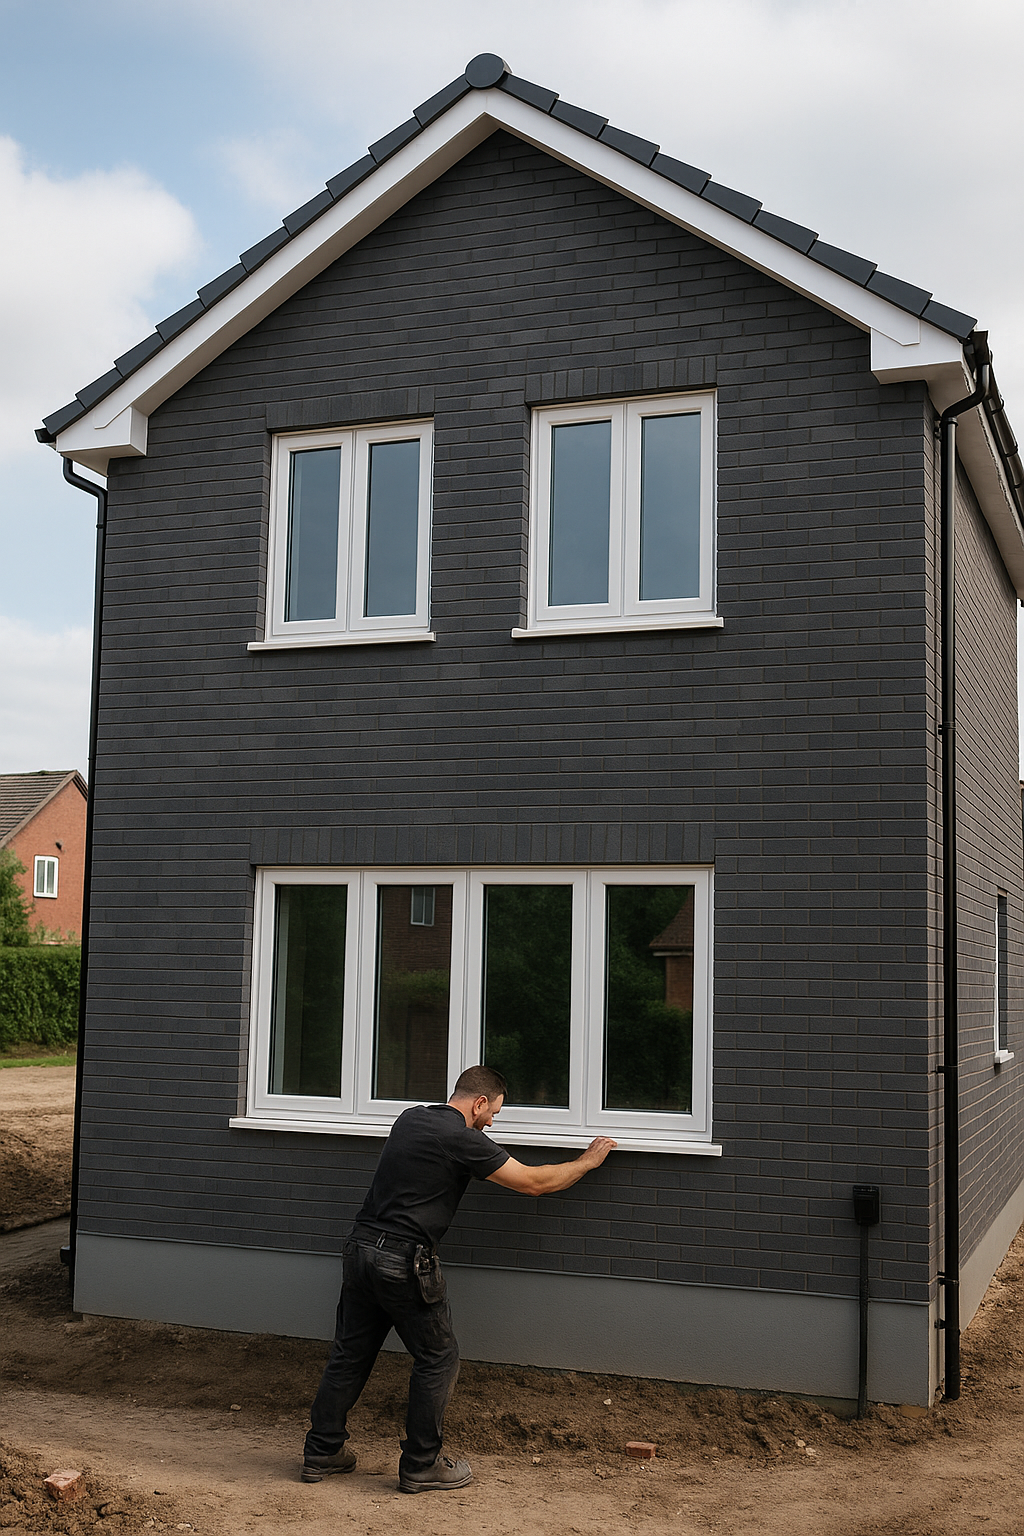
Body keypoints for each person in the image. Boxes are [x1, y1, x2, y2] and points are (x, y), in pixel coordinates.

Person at [301, 1064, 616, 1494]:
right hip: (402, 1262)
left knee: (350, 1353)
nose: (493, 1122)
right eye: (494, 1113)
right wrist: (587, 1161)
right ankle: (421, 1464)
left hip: (360, 1250)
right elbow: (532, 1183)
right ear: (480, 1101)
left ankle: (322, 1451)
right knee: (437, 1359)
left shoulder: (410, 1118)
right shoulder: (461, 1139)